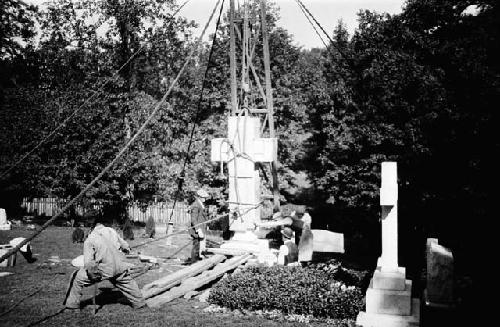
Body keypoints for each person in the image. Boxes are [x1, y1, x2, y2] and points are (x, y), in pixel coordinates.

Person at [64, 216, 145, 310]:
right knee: (127, 281)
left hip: (104, 269)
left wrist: (93, 274)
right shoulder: (111, 231)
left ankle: (71, 306)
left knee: (76, 277)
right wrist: (127, 249)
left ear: (91, 226)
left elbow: (89, 262)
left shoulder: (90, 239)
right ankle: (140, 303)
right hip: (120, 266)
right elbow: (126, 246)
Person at [187, 188, 210, 264]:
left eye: (205, 197)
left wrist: (206, 225)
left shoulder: (201, 204)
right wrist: (198, 230)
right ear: (199, 196)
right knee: (196, 246)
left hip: (202, 228)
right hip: (197, 230)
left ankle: (198, 261)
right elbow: (193, 220)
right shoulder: (196, 205)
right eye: (203, 197)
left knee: (200, 247)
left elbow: (203, 217)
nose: (205, 199)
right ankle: (194, 263)